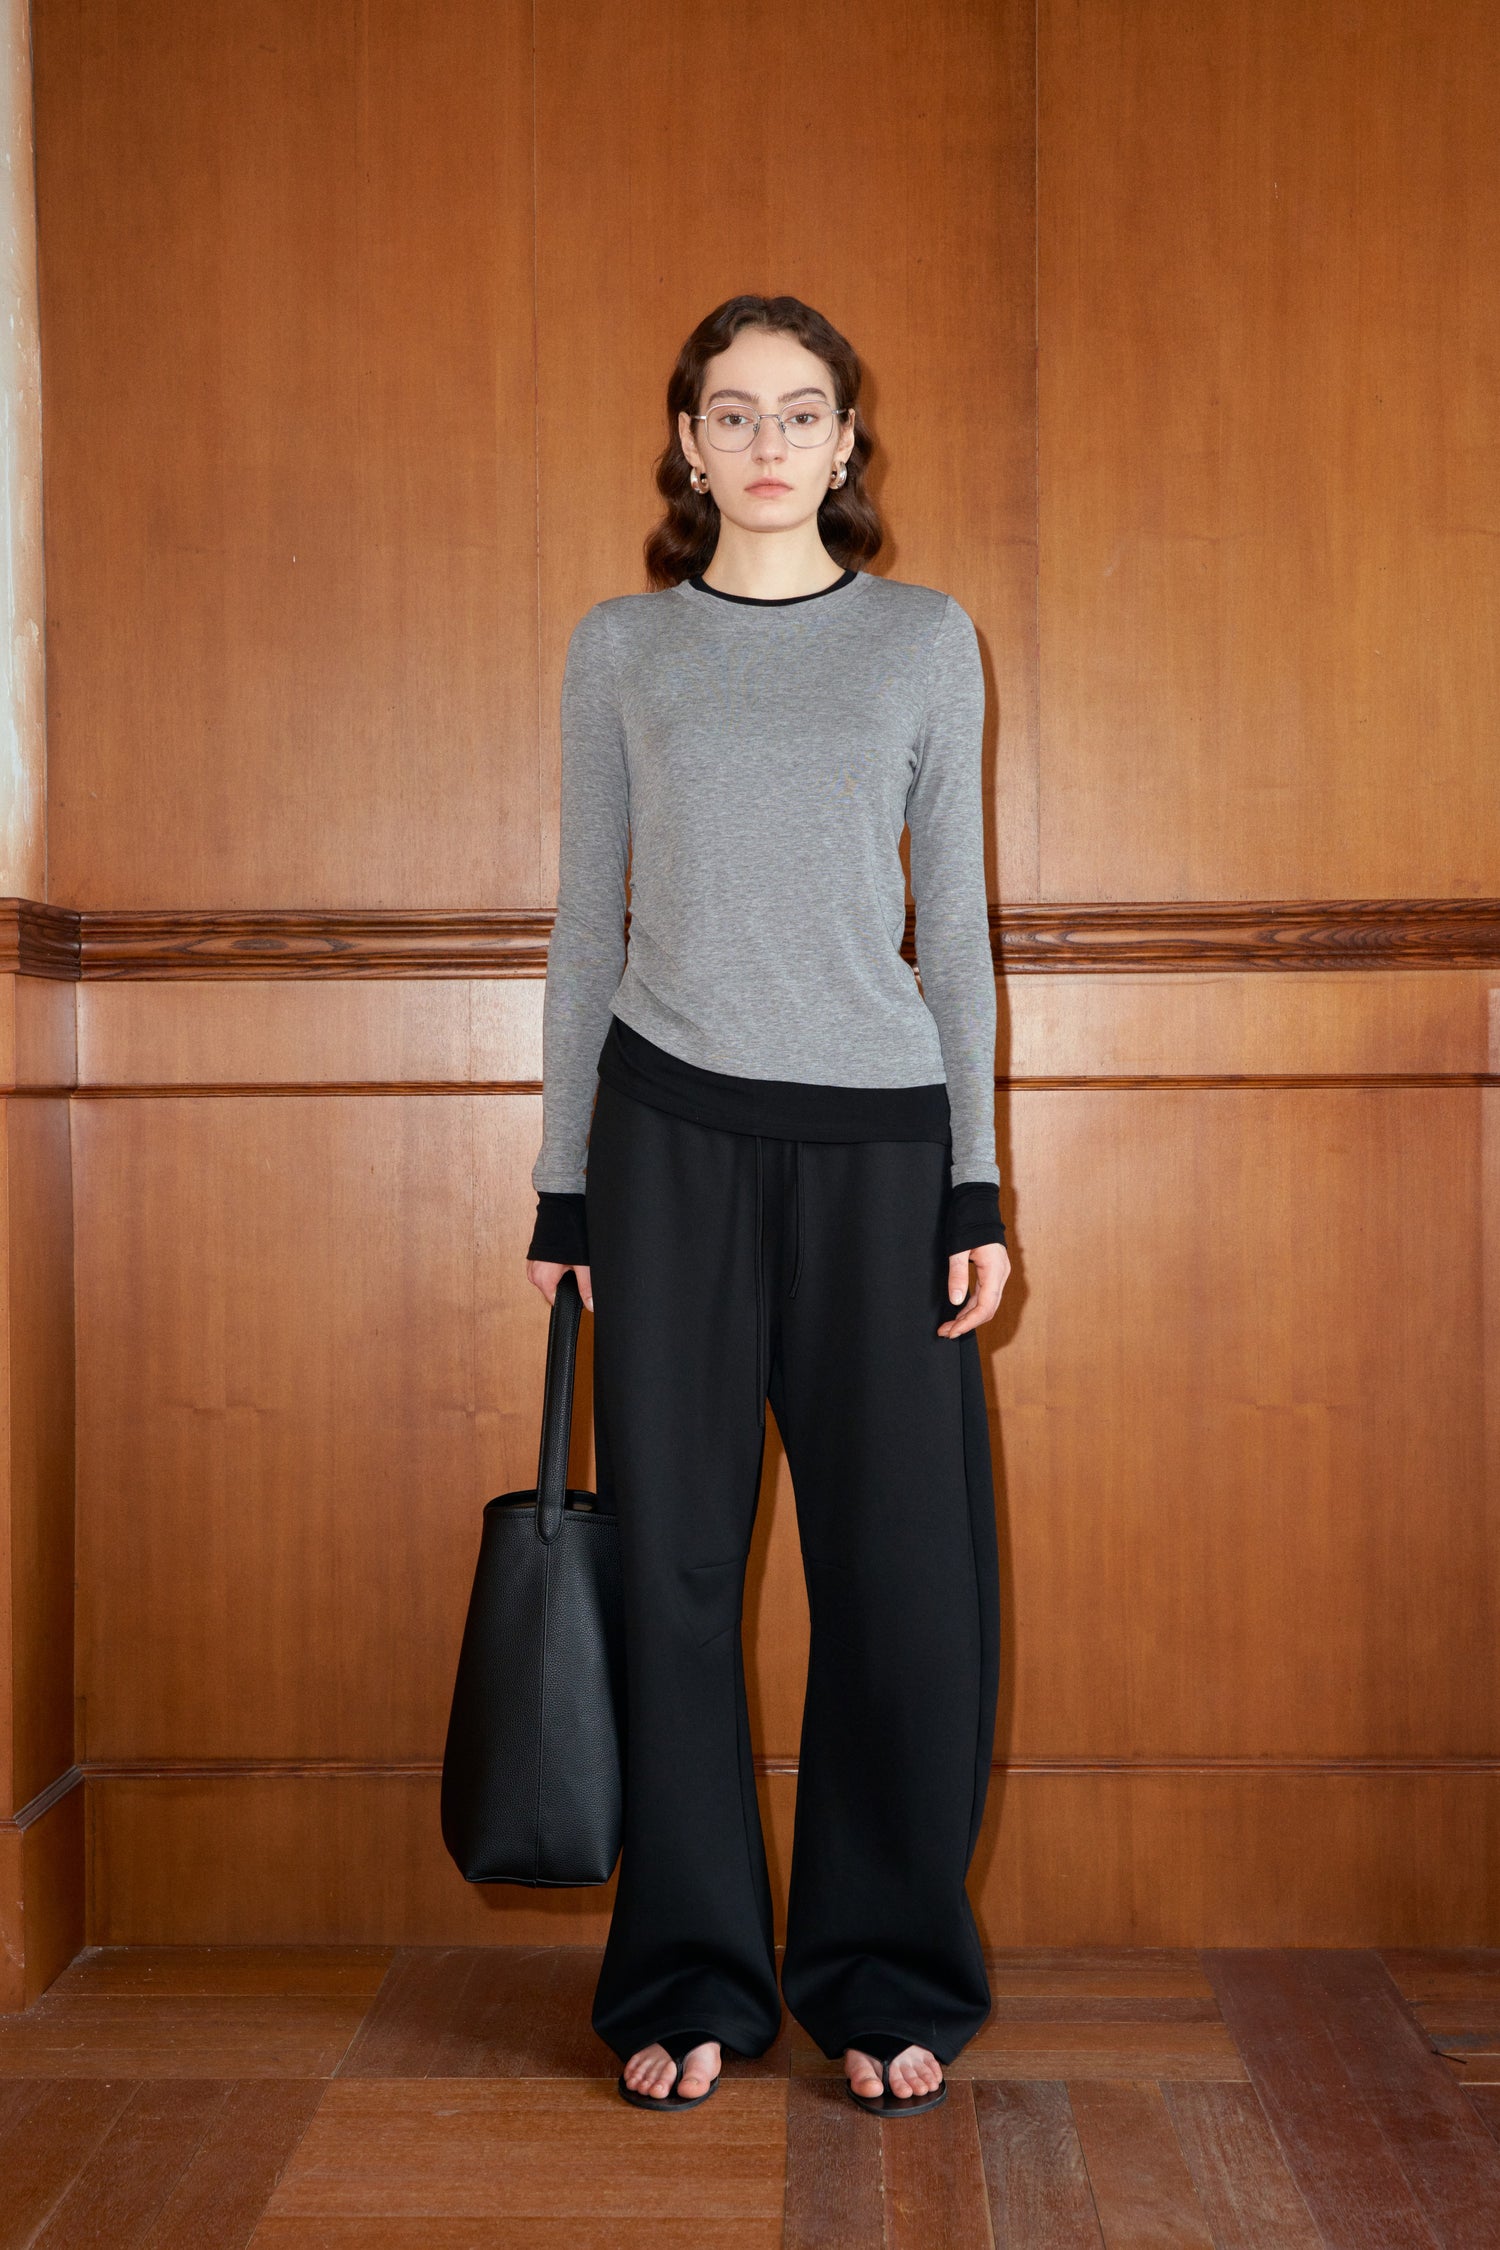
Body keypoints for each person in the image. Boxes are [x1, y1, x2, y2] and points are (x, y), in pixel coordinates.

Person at [525, 293, 1009, 2118]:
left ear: (847, 439)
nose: (767, 443)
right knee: (670, 1572)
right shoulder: (621, 649)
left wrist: (975, 1176)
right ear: (688, 441)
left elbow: (958, 936)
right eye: (731, 413)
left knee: (902, 1582)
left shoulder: (925, 640)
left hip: (885, 1154)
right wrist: (565, 1186)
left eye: (801, 412)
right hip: (668, 1146)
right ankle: (690, 1975)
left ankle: (884, 1974)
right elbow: (584, 932)